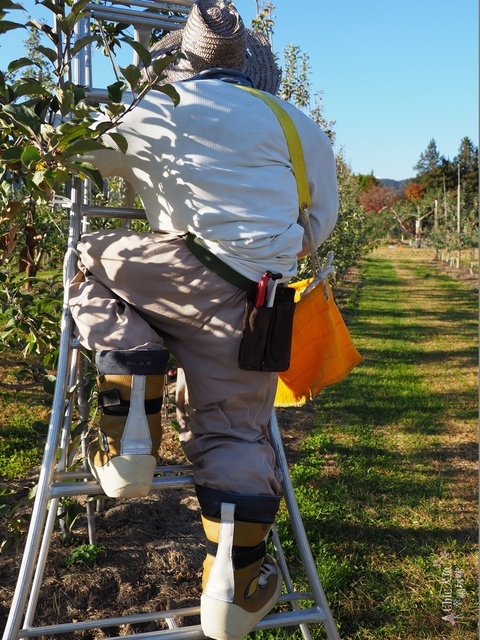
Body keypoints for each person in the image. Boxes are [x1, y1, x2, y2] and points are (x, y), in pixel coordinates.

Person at [69, 1, 338, 638]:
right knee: (235, 434)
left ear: (183, 60)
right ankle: (233, 588)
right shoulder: (295, 123)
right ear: (251, 65)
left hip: (163, 273)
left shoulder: (155, 110)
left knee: (85, 263)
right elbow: (316, 225)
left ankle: (129, 413)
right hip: (254, 300)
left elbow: (84, 159)